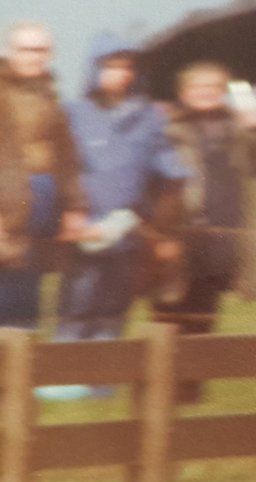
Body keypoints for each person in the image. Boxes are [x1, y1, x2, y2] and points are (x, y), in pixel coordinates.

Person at [44, 33, 188, 399]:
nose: (120, 74)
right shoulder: (73, 113)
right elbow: (61, 167)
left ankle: (102, 383)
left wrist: (163, 225)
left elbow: (170, 170)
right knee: (78, 300)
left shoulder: (149, 117)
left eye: (127, 67)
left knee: (114, 305)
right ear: (94, 69)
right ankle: (63, 378)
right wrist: (70, 214)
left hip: (128, 229)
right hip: (84, 227)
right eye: (111, 66)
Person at [149, 61, 256, 402]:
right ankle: (160, 384)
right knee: (170, 308)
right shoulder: (167, 125)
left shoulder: (238, 127)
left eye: (213, 87)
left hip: (222, 234)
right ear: (183, 93)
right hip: (181, 231)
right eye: (197, 87)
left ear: (224, 93)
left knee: (206, 312)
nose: (205, 93)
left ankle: (192, 386)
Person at [0, 21, 88, 330]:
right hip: (4, 210)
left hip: (39, 209)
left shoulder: (50, 94)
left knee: (26, 306)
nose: (33, 57)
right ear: (11, 52)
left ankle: (16, 375)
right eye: (25, 49)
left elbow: (66, 156)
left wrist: (75, 207)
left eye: (40, 50)